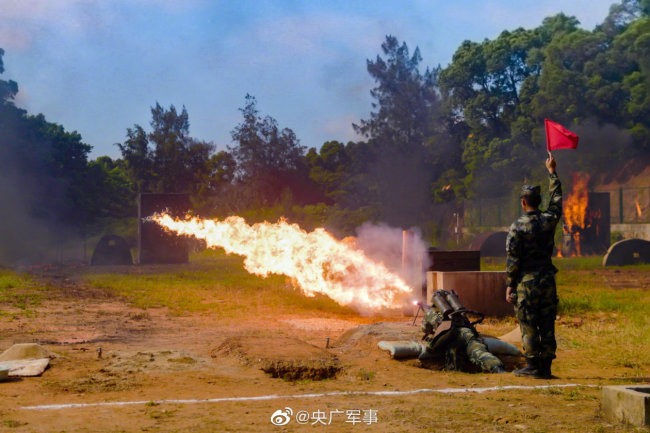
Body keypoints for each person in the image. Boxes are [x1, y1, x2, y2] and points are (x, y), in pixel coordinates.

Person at [505, 154, 562, 378]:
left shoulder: (517, 226)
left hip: (527, 281)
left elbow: (513, 259)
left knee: (528, 322)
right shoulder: (549, 219)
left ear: (523, 201)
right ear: (538, 201)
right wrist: (552, 172)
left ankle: (532, 365)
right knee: (547, 322)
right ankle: (546, 367)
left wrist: (510, 284)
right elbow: (557, 199)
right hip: (547, 279)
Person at [420, 291, 505, 373]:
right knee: (479, 351)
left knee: (452, 352)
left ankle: (456, 372)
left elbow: (425, 329)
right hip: (466, 332)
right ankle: (497, 368)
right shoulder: (459, 311)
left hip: (449, 336)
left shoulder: (430, 313)